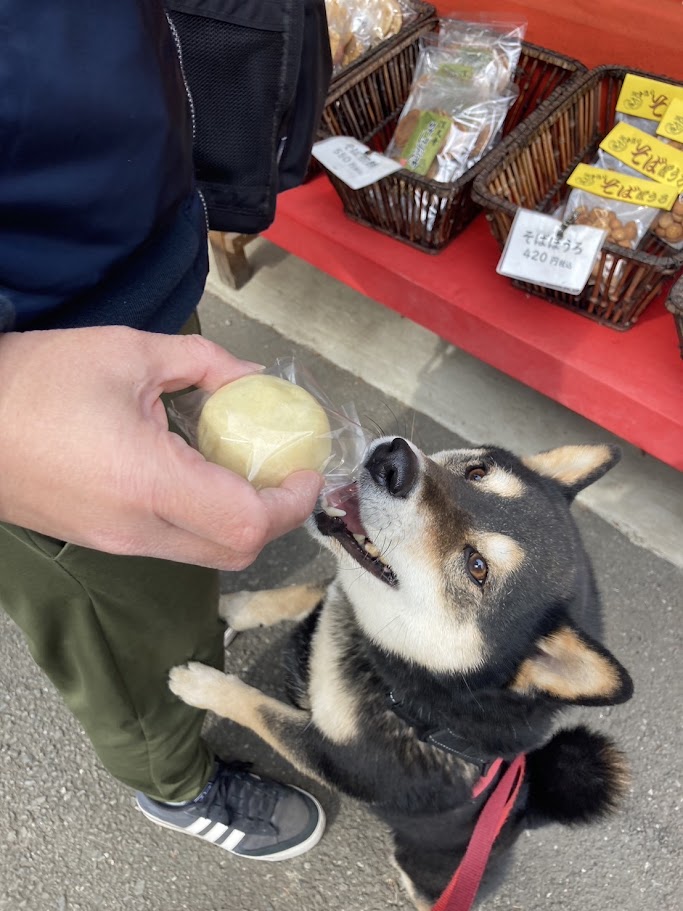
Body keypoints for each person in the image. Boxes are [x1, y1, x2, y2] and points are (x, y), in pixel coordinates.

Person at [0, 1, 326, 862]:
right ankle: (173, 780)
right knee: (121, 627)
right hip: (36, 344)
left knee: (172, 557)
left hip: (130, 244)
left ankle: (189, 628)